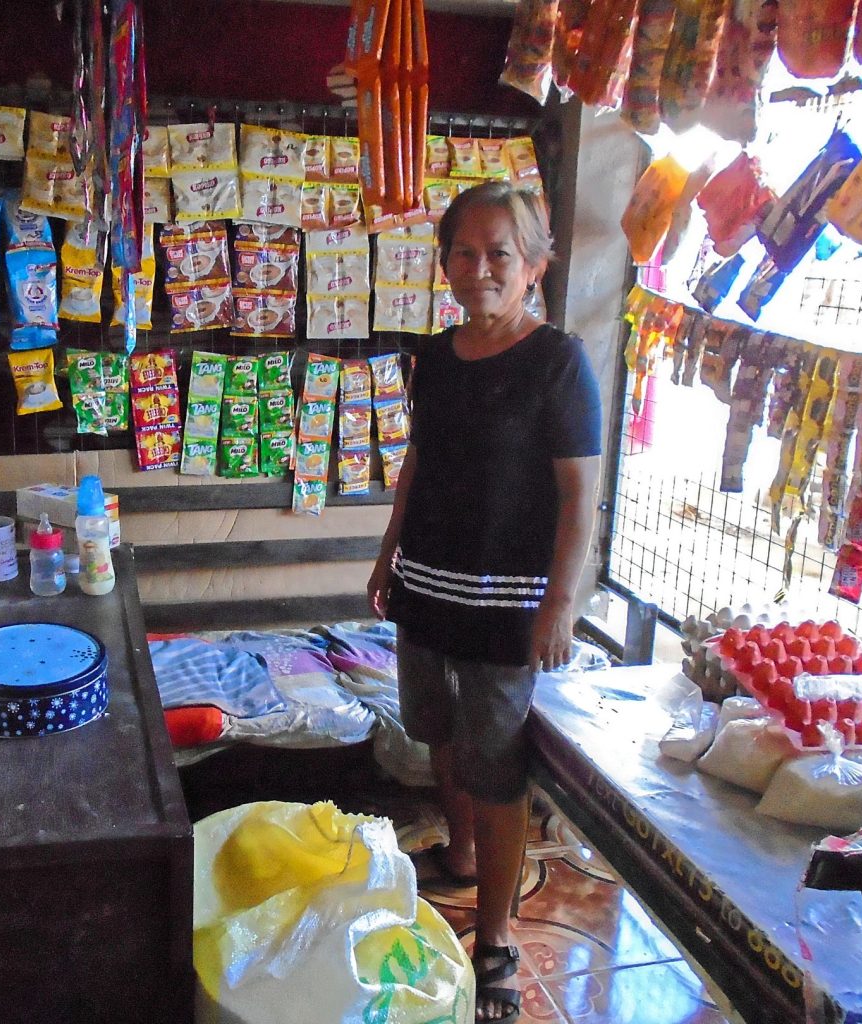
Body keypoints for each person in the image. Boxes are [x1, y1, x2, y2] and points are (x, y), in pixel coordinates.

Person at [367, 180, 602, 1024]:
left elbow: (580, 497)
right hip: (426, 590)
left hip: (508, 606)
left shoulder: (558, 363)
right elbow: (419, 467)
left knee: (497, 767)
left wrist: (560, 607)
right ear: (445, 264)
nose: (480, 270)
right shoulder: (431, 359)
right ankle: (460, 852)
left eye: (500, 253)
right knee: (436, 731)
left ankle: (497, 937)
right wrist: (388, 554)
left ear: (535, 265)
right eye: (463, 253)